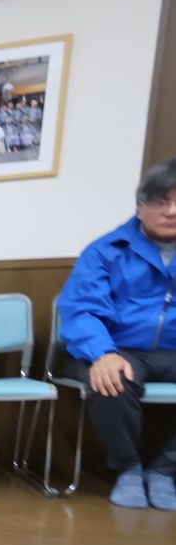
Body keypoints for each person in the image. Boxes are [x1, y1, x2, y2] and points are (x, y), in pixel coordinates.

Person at [58, 159, 176, 510]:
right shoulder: (106, 251)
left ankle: (165, 471)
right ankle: (128, 468)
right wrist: (102, 353)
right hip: (117, 347)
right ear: (141, 207)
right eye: (160, 202)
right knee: (112, 380)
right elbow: (82, 310)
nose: (171, 211)